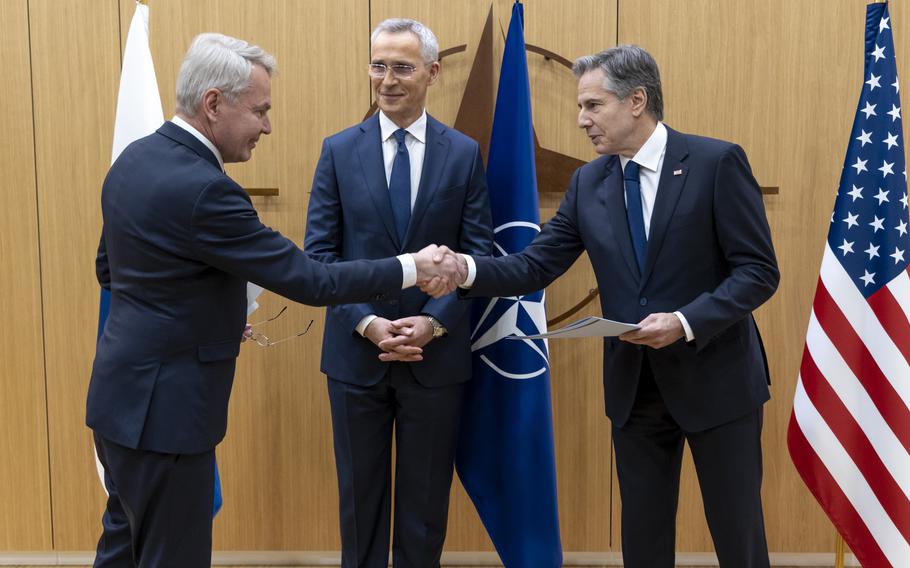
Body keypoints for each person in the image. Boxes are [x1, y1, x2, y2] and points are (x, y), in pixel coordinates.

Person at [87, 32, 463, 568]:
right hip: (166, 414)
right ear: (214, 103)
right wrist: (411, 267)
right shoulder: (207, 189)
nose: (267, 126)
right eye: (260, 110)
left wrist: (206, 314)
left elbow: (112, 271)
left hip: (119, 401)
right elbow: (309, 279)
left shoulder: (134, 160)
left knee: (123, 550)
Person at [448, 45, 779, 567]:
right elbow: (535, 265)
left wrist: (686, 321)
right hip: (635, 389)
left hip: (717, 382)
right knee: (643, 541)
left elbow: (759, 272)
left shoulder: (716, 163)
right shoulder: (588, 182)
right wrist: (464, 270)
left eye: (593, 106)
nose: (581, 121)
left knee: (738, 535)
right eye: (582, 108)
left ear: (637, 101)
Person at [303, 18, 493, 568]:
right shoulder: (338, 151)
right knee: (359, 504)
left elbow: (479, 260)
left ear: (432, 73)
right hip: (356, 352)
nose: (387, 79)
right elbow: (320, 257)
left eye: (402, 67)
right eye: (378, 65)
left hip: (436, 357)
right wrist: (367, 322)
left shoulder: (463, 154)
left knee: (426, 505)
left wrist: (434, 323)